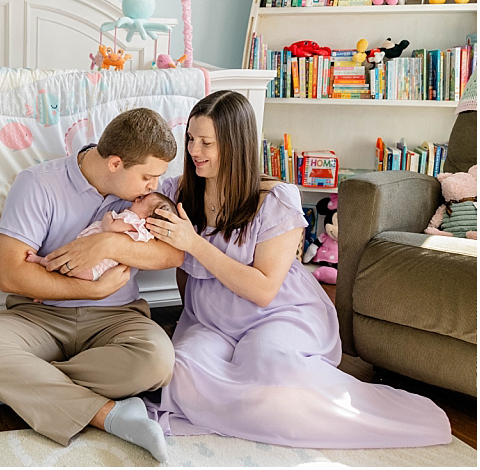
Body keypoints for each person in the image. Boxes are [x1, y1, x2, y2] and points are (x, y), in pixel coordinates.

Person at [142, 90, 452, 448]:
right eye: (191, 139)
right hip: (211, 320)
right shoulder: (179, 192)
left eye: (206, 142)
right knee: (178, 375)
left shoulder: (274, 199)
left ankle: (378, 417)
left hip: (274, 314)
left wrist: (194, 243)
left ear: (235, 145)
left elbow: (262, 290)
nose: (194, 151)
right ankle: (246, 410)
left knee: (276, 380)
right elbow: (178, 265)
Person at [0, 108, 185, 462]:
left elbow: (174, 254)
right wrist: (91, 289)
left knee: (156, 361)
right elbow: (12, 275)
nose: (155, 186)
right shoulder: (37, 184)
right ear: (115, 164)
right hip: (40, 315)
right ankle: (110, 415)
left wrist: (107, 245)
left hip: (117, 318)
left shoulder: (149, 197)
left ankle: (7, 387)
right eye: (148, 177)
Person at [26, 192, 179, 281]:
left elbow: (110, 227)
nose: (137, 198)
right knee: (67, 265)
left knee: (67, 267)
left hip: (98, 267)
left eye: (142, 200)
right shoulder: (139, 228)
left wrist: (108, 216)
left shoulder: (132, 222)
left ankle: (41, 261)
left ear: (147, 218)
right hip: (95, 259)